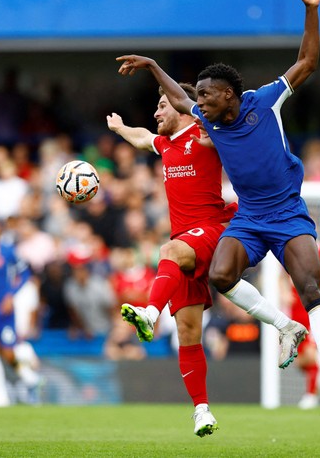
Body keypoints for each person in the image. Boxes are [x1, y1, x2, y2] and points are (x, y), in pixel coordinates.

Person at [115, 0, 320, 404]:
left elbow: (308, 62)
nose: (197, 104)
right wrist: (151, 65)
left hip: (287, 213)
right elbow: (180, 99)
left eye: (206, 95)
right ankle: (287, 328)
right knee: (220, 275)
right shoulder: (207, 118)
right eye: (197, 97)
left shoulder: (266, 100)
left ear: (229, 94)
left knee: (311, 288)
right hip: (249, 216)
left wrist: (311, 11)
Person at [107, 82, 306, 436]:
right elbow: (141, 137)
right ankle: (202, 411)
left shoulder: (208, 134)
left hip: (214, 229)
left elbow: (237, 134)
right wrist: (120, 128)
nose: (156, 113)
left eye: (162, 106)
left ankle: (149, 315)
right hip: (185, 244)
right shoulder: (165, 144)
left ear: (182, 110)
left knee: (166, 251)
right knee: (187, 332)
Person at [0, 215, 44, 406]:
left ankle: (31, 380)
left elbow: (24, 273)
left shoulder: (7, 251)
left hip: (4, 310)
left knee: (8, 352)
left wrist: (10, 295)